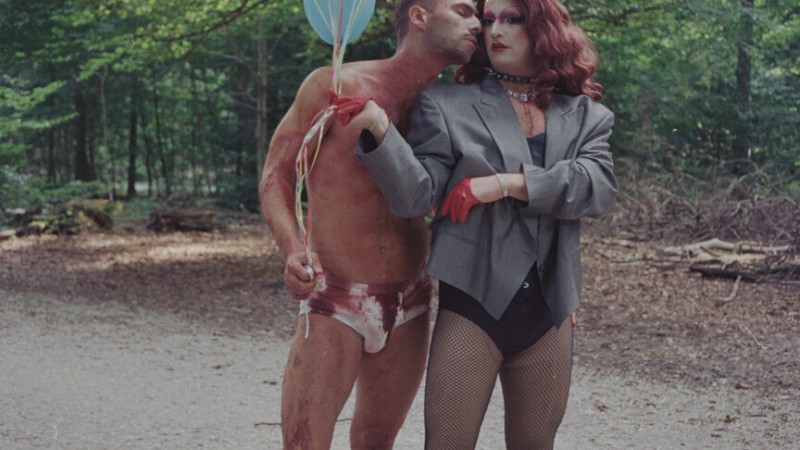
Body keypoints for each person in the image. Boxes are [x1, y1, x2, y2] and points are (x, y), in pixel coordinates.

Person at [349, 0, 617, 448]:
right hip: (473, 307)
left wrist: (503, 184)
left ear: (542, 28)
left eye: (512, 19)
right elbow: (416, 196)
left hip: (550, 311)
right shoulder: (446, 105)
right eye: (488, 20)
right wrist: (379, 131)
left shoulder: (588, 115)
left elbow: (597, 187)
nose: (495, 30)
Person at [258, 1, 480, 449]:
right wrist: (293, 249)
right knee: (303, 444)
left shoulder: (450, 108)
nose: (476, 22)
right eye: (462, 9)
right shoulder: (336, 84)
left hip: (412, 299)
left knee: (377, 442)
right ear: (419, 16)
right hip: (334, 298)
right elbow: (276, 175)